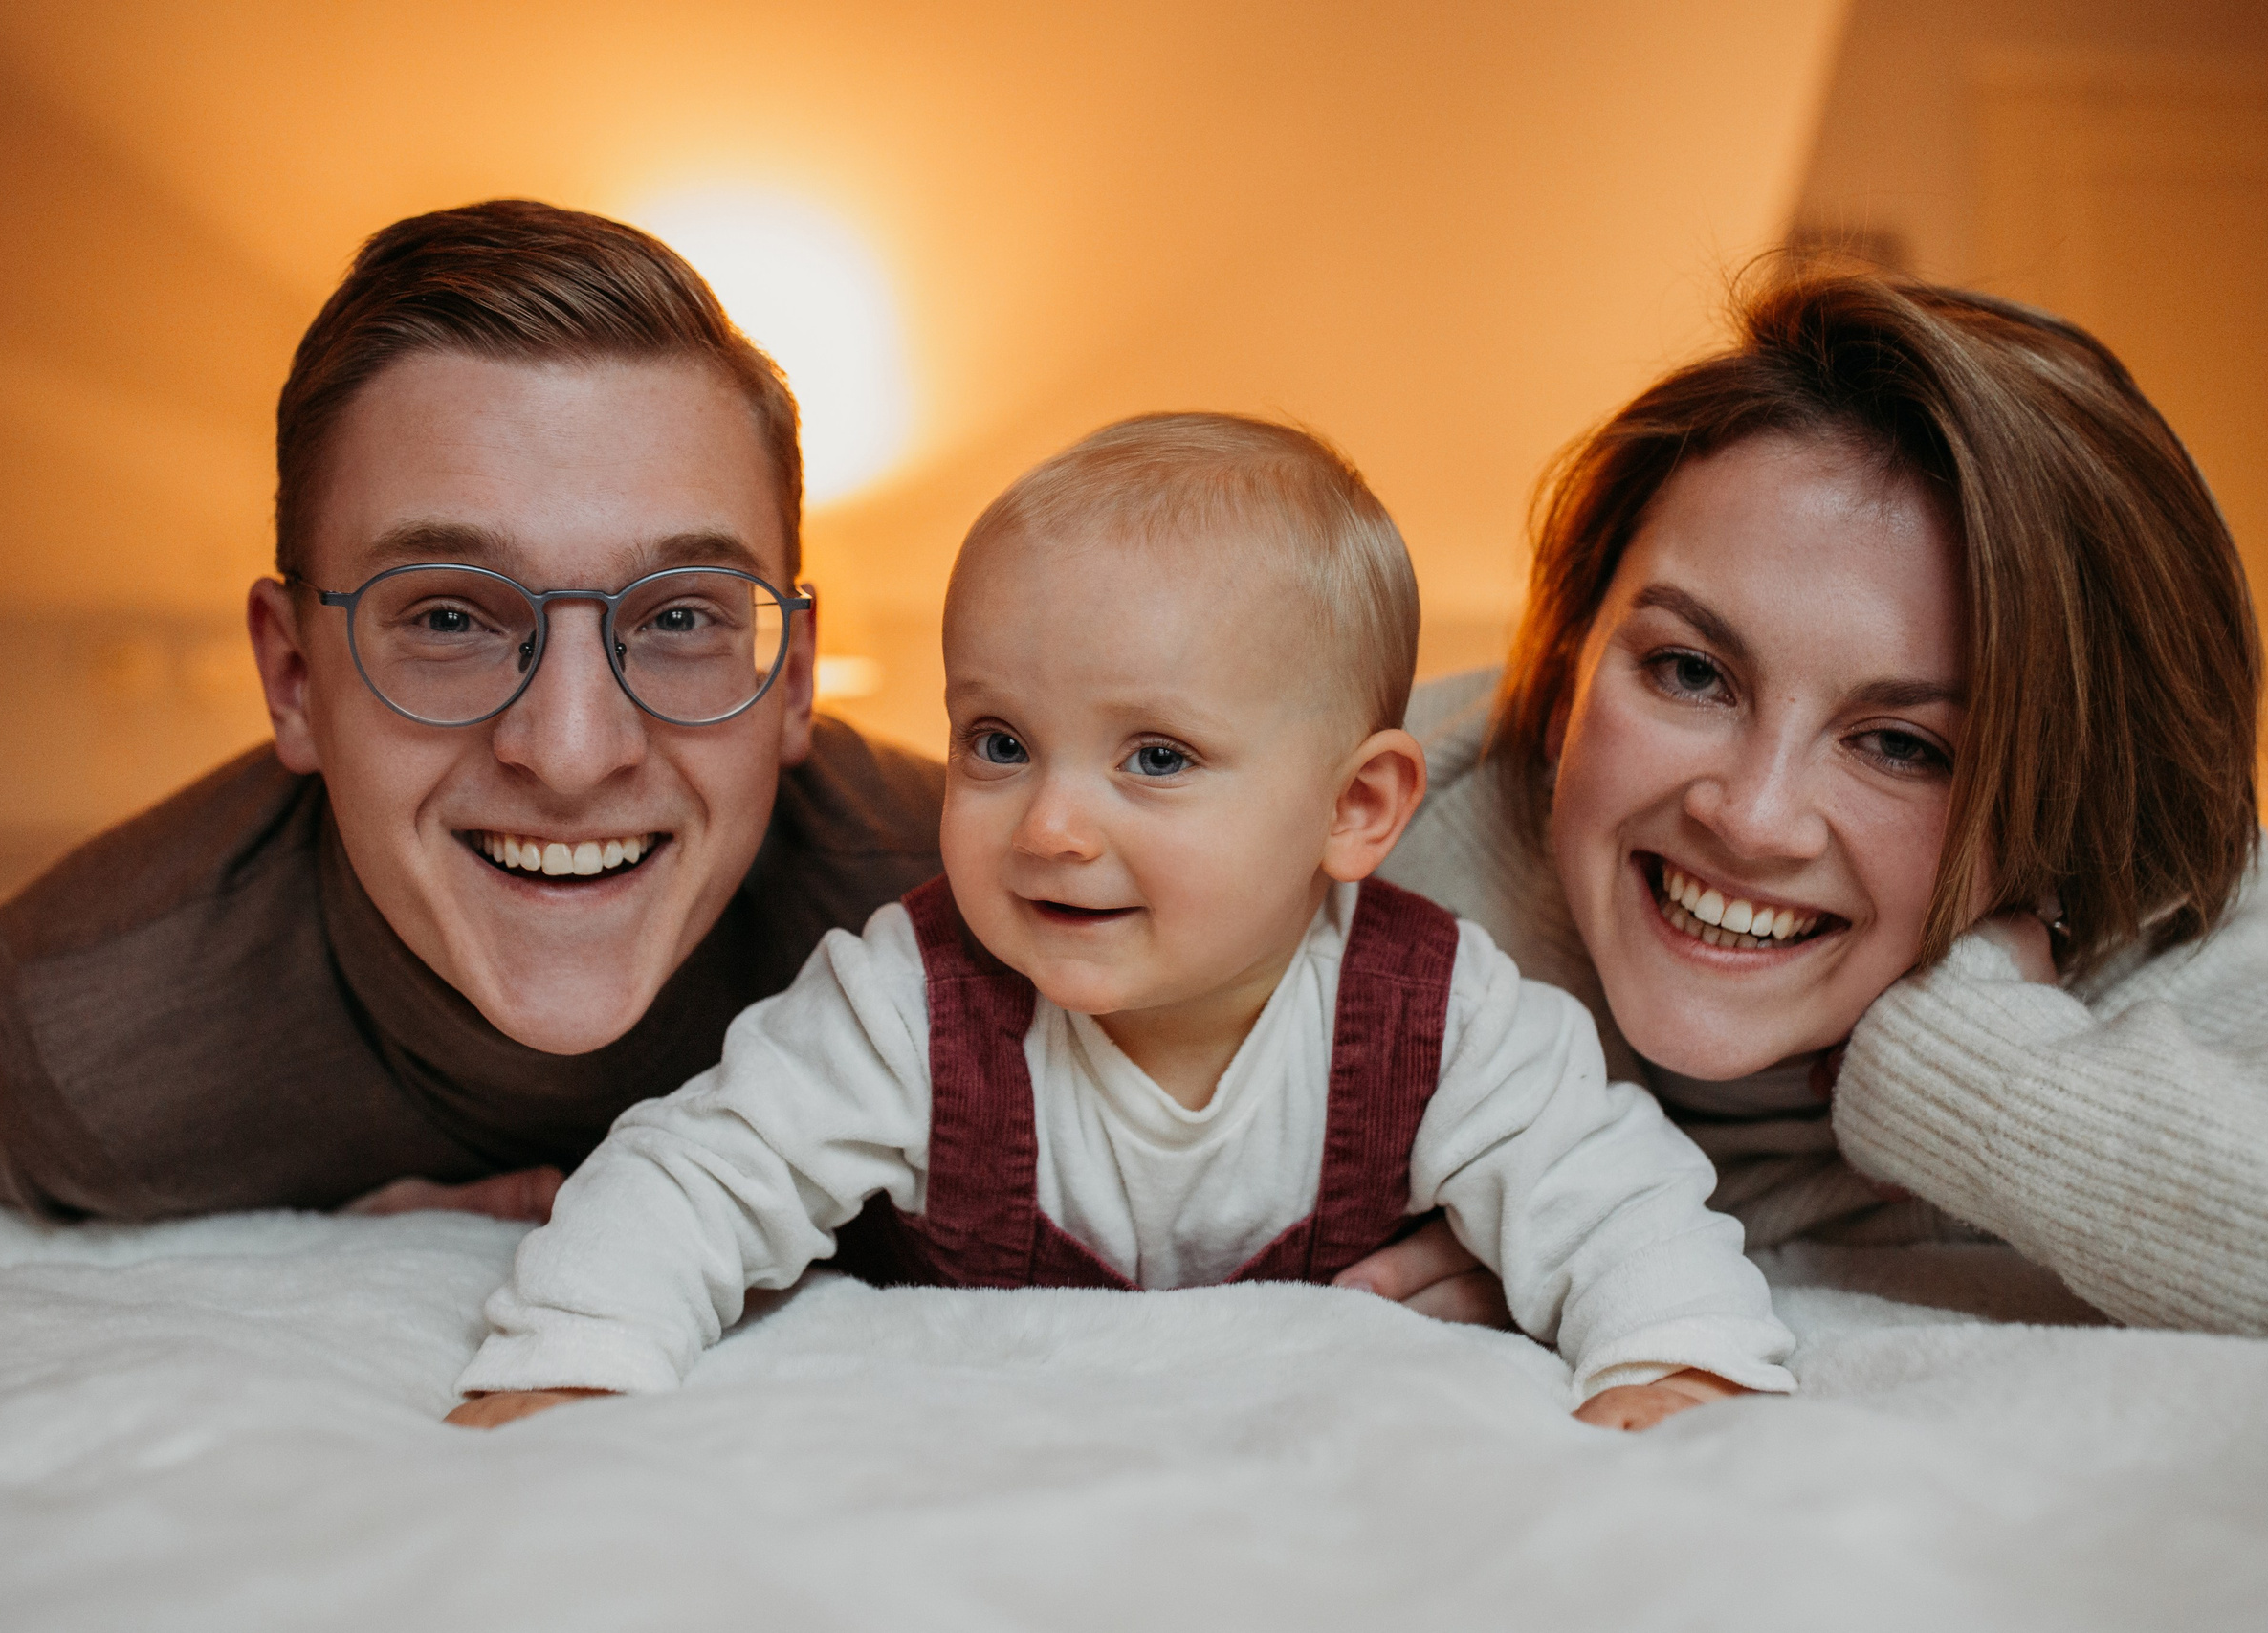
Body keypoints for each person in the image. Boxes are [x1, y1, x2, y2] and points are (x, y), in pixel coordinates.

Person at [444, 413, 1797, 1432]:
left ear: (1356, 806)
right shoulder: (908, 997)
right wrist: (579, 1352)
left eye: (1154, 757)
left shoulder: (1441, 1014)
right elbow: (701, 1170)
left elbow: (1609, 1189)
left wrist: (1674, 1356)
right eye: (998, 741)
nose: (1049, 828)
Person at [1370, 266, 2268, 1343]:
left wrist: (1982, 1072)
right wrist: (1573, 1228)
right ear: (1565, 671)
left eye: (1899, 745)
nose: (1751, 817)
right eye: (1691, 673)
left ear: (2066, 824)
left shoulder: (2184, 935)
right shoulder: (1357, 835)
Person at [0, 200, 942, 1221]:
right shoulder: (65, 1032)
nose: (573, 753)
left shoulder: (988, 918)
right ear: (293, 679)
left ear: (795, 679)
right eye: (450, 618)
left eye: (678, 619)